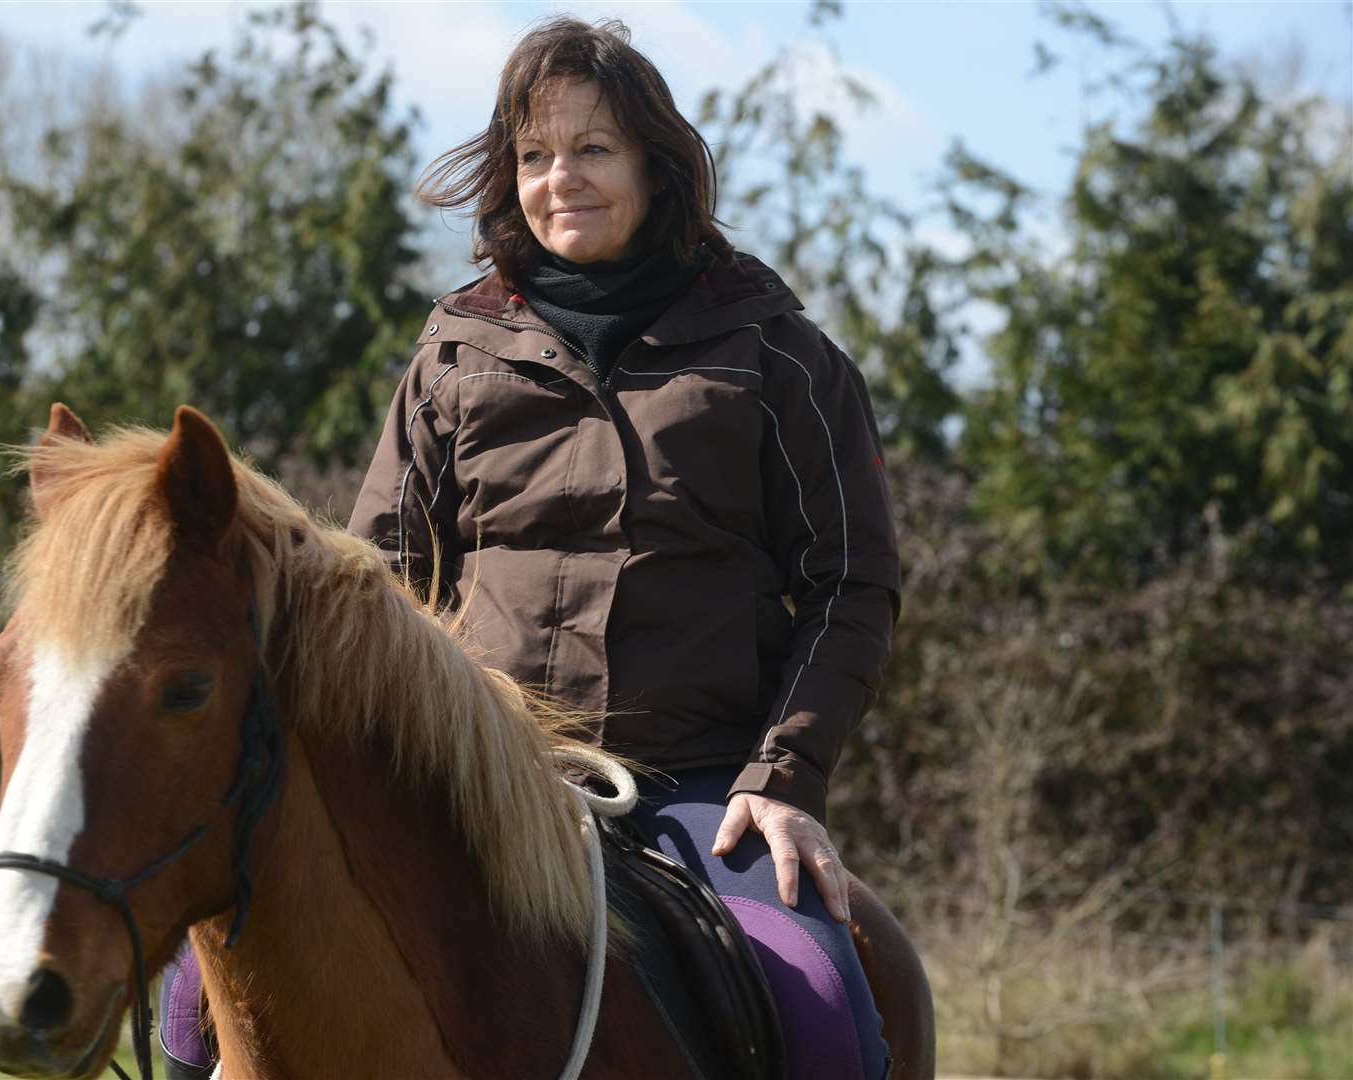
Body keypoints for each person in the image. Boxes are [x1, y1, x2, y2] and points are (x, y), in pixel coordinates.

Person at [163, 17, 899, 1080]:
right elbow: (374, 588)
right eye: (536, 156)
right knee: (197, 1000)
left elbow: (853, 584)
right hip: (475, 782)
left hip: (698, 786)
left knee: (827, 1002)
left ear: (657, 164)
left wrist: (781, 779)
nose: (565, 180)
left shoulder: (776, 354)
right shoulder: (455, 351)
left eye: (594, 150)